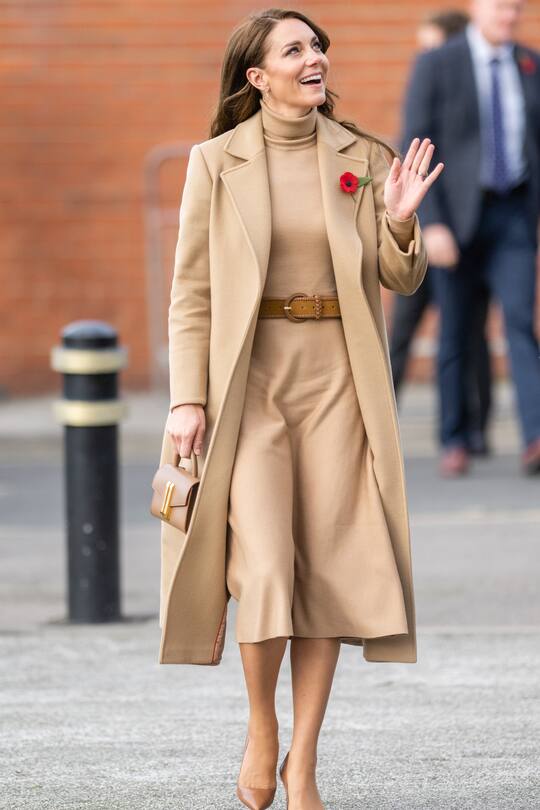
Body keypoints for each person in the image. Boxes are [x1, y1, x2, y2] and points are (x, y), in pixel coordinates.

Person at [158, 8, 442, 809]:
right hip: (249, 384)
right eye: (294, 49)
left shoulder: (362, 155)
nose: (314, 58)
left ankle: (304, 763)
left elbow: (400, 280)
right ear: (258, 77)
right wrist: (187, 399)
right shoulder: (215, 163)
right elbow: (191, 292)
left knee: (326, 575)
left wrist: (398, 218)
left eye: (317, 46)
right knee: (269, 571)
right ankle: (261, 729)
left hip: (338, 386)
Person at [401, 0, 540, 477]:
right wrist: (432, 222)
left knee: (521, 323)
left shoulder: (529, 63)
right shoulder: (438, 64)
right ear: (477, 7)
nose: (511, 16)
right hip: (456, 219)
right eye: (503, 7)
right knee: (457, 330)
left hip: (513, 216)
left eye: (518, 8)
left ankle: (535, 438)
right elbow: (416, 140)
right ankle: (455, 439)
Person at [390, 9, 493, 458]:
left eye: (431, 46)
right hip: (423, 235)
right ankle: (383, 419)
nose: (424, 58)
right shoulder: (427, 92)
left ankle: (474, 428)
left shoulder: (467, 94)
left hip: (460, 233)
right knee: (401, 333)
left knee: (470, 333)